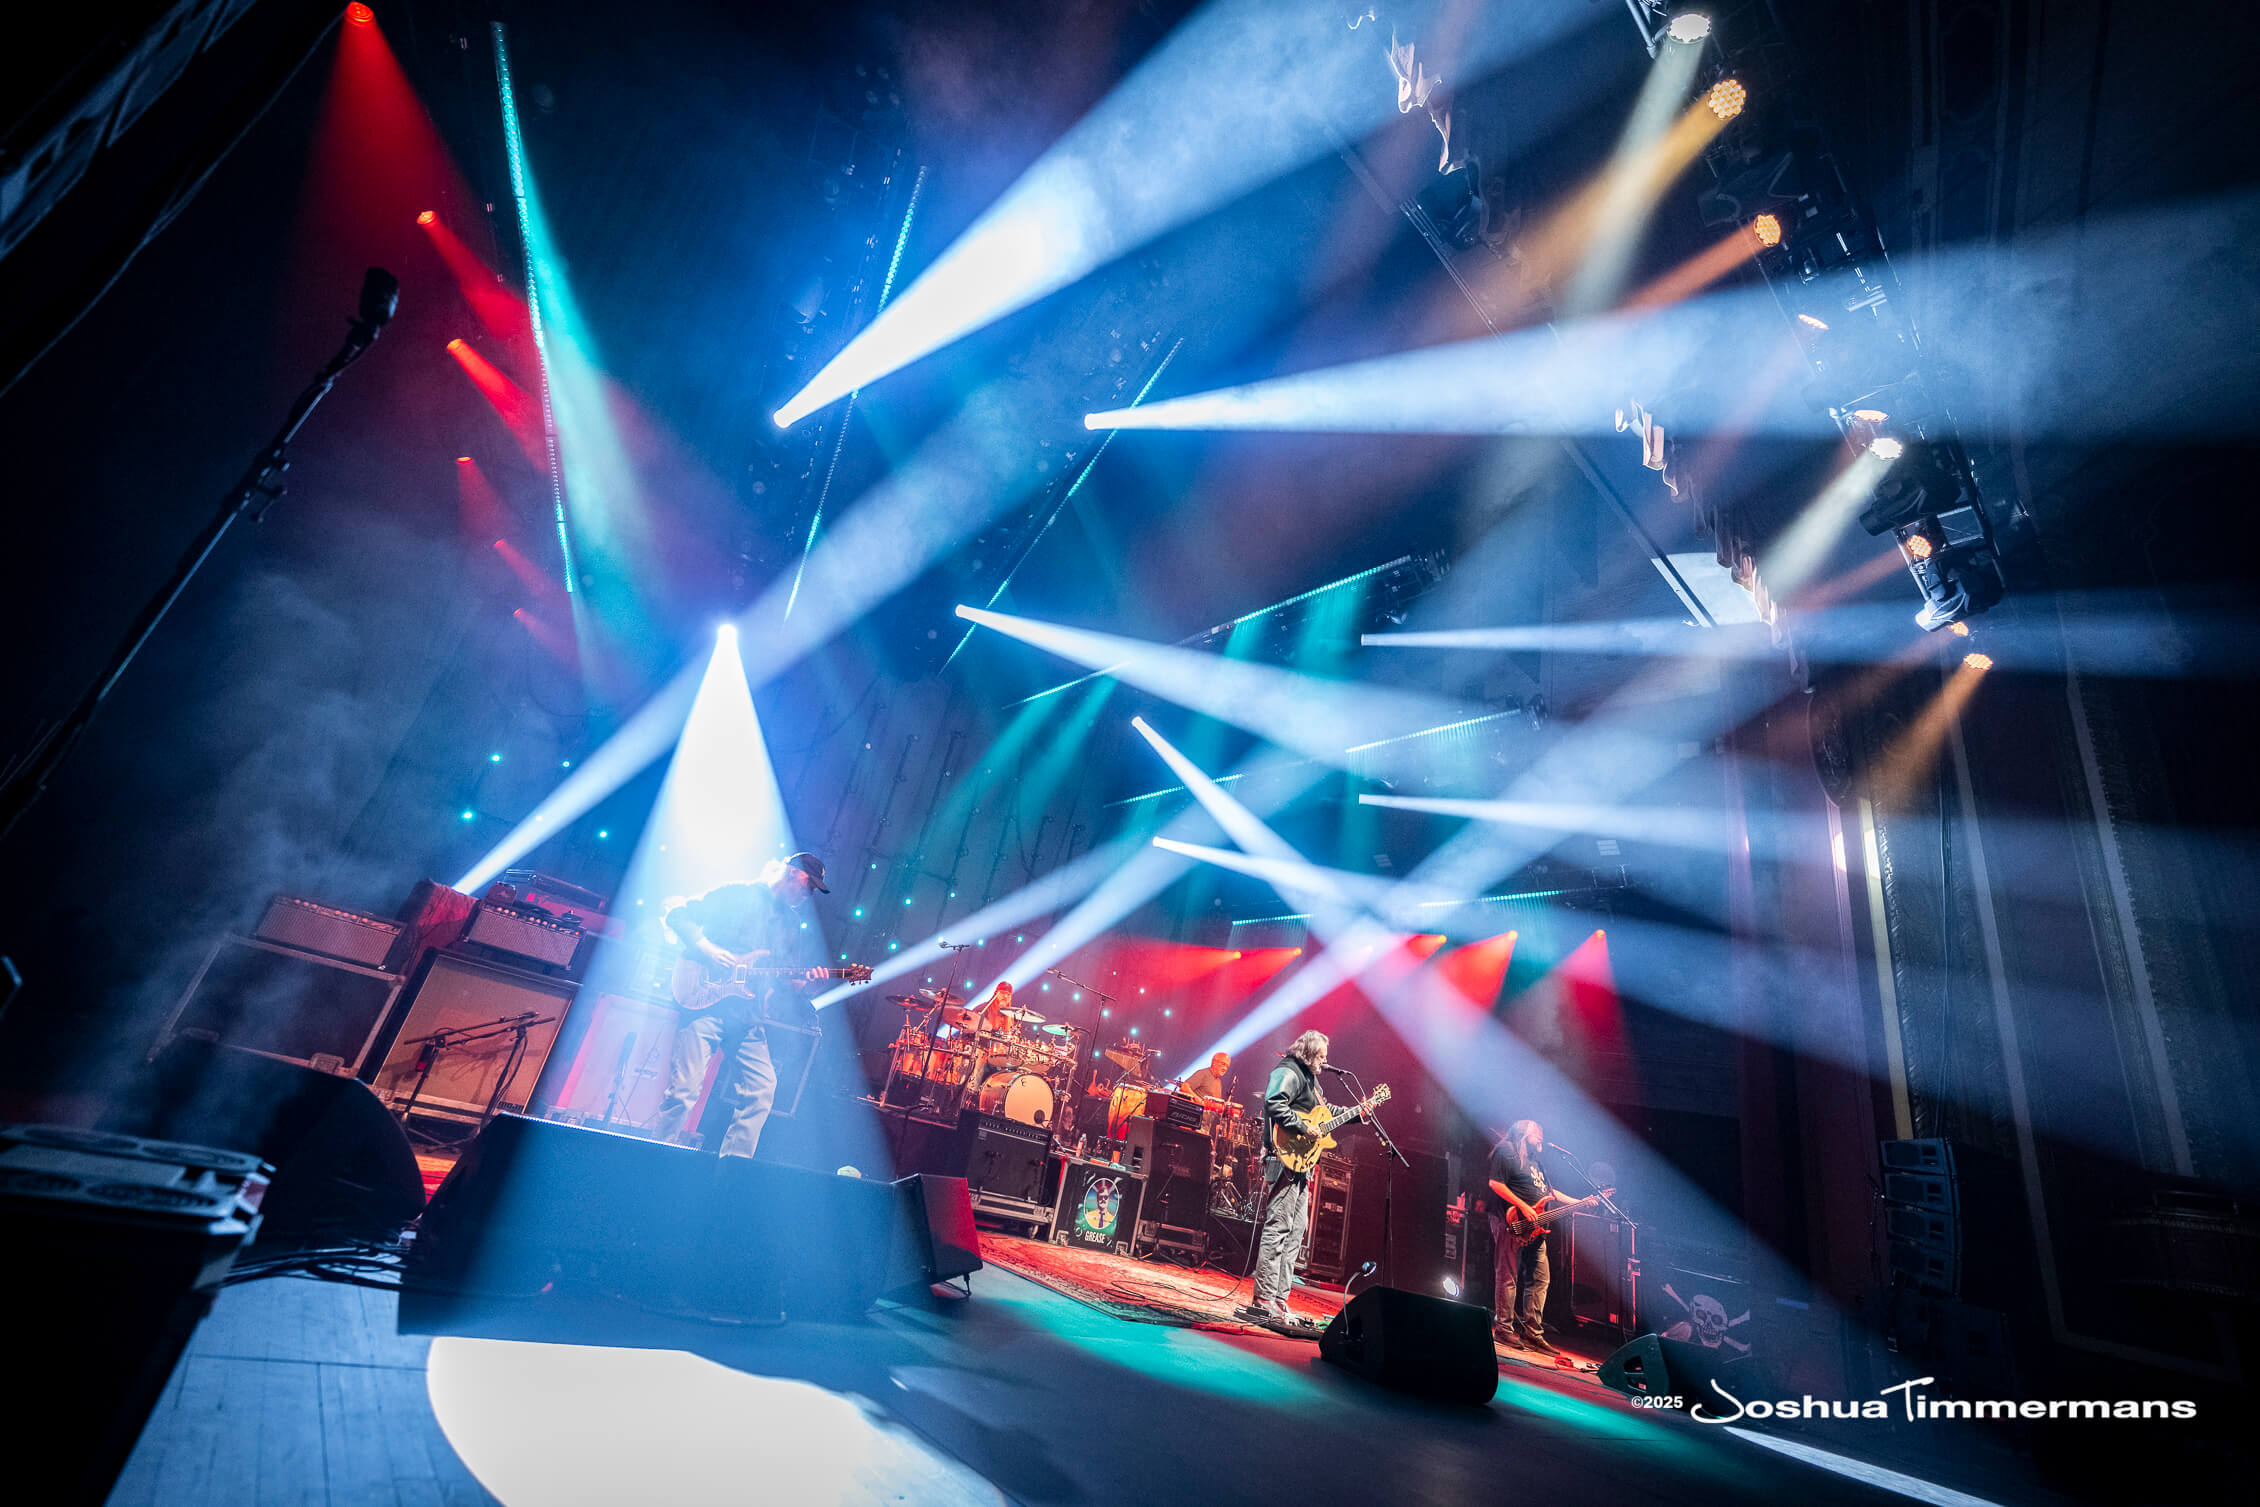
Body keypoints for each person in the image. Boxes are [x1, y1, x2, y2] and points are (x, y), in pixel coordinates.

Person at [655, 852, 829, 1159]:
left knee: (762, 1090)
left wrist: (811, 986)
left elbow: (787, 979)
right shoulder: (738, 894)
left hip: (747, 1016)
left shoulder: (791, 923)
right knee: (684, 1092)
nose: (809, 893)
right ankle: (655, 1160)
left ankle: (732, 1169)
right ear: (792, 872)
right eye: (809, 884)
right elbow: (678, 916)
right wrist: (709, 949)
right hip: (705, 1004)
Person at [1238, 1030, 1331, 1327]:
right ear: (1308, 1053)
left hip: (1302, 1164)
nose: (1324, 1061)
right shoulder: (1289, 1070)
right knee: (1278, 1227)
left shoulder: (1310, 1079)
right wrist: (1303, 1128)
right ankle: (1263, 1298)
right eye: (1321, 1056)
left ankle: (1279, 1298)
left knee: (1296, 1231)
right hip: (1284, 1157)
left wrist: (1359, 1113)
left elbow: (1325, 1113)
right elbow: (1274, 1103)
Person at [1488, 1118, 1557, 1353]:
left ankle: (1532, 1333)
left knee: (1540, 1278)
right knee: (1508, 1275)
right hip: (1510, 1221)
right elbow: (1495, 1183)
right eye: (1536, 1131)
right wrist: (1523, 1206)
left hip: (1535, 1228)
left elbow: (1551, 1193)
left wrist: (1582, 1202)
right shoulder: (1506, 1150)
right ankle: (1503, 1329)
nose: (1541, 1135)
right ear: (1523, 1133)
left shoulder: (1537, 1161)